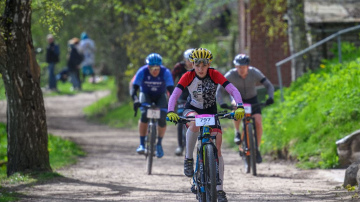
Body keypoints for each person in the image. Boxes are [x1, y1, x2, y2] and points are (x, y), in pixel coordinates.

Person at [166, 48, 245, 202]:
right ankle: (188, 158)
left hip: (210, 111)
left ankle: (220, 190)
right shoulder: (188, 76)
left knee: (218, 149)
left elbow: (232, 89)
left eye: (204, 65)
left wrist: (240, 106)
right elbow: (175, 94)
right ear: (192, 64)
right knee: (194, 124)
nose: (200, 69)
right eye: (197, 65)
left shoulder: (214, 74)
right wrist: (170, 111)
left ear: (209, 64)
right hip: (192, 109)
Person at [216, 54, 274, 163]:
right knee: (236, 105)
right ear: (235, 66)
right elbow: (219, 90)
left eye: (243, 67)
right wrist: (221, 102)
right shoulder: (230, 75)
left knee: (258, 122)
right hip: (237, 98)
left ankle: (256, 149)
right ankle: (237, 131)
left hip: (252, 99)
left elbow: (269, 86)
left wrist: (270, 97)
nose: (241, 69)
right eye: (238, 67)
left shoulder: (254, 72)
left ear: (248, 66)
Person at [131, 53, 174, 158]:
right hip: (146, 95)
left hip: (160, 96)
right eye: (151, 68)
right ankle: (141, 144)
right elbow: (134, 89)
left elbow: (171, 90)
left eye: (157, 68)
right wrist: (136, 100)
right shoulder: (142, 71)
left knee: (162, 118)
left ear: (160, 67)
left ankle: (159, 144)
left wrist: (172, 104)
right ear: (148, 67)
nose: (154, 71)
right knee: (144, 114)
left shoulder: (165, 72)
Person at [172, 48, 194, 156]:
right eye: (188, 60)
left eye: (193, 61)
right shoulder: (179, 67)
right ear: (184, 60)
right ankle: (180, 146)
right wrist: (171, 95)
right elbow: (171, 80)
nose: (190, 63)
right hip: (182, 93)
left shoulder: (199, 67)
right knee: (180, 118)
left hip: (194, 93)